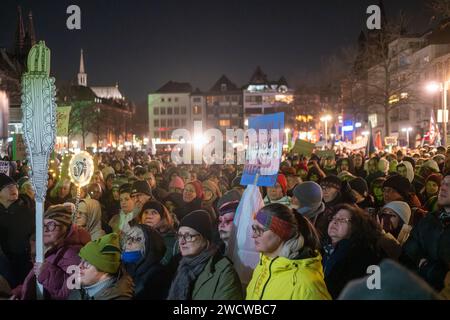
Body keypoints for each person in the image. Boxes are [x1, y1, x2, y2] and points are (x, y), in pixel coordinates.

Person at [246, 203, 331, 300]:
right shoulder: (264, 264)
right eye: (253, 228)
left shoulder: (306, 286)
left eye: (259, 230)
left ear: (281, 233)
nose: (253, 235)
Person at [11, 205, 91, 300]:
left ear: (66, 227)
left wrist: (45, 271)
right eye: (44, 225)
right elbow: (39, 282)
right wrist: (20, 291)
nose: (45, 229)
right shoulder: (52, 248)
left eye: (51, 225)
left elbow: (72, 291)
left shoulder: (73, 254)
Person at [167, 210, 243, 300]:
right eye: (180, 236)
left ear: (205, 240)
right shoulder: (179, 265)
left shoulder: (223, 272)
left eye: (188, 236)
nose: (182, 242)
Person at [321, 204, 383, 299]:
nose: (335, 222)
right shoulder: (322, 249)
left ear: (355, 226)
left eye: (342, 220)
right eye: (333, 218)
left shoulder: (364, 256)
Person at [401, 174, 450, 291]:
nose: (442, 188)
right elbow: (409, 247)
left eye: (449, 185)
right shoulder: (429, 219)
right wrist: (419, 258)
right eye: (443, 183)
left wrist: (428, 268)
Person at [68, 233, 134, 300]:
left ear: (105, 271)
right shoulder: (84, 284)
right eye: (81, 261)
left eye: (87, 264)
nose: (79, 266)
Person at [0, 174, 34, 287]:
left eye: (14, 186)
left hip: (28, 263)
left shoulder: (28, 208)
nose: (12, 189)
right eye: (7, 186)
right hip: (6, 267)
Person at [121, 224, 170, 299]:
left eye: (138, 239)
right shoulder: (122, 269)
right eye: (128, 238)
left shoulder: (158, 275)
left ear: (150, 246)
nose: (129, 242)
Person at [138, 200, 179, 267]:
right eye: (145, 212)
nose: (149, 216)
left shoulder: (172, 241)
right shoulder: (135, 237)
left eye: (154, 212)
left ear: (162, 217)